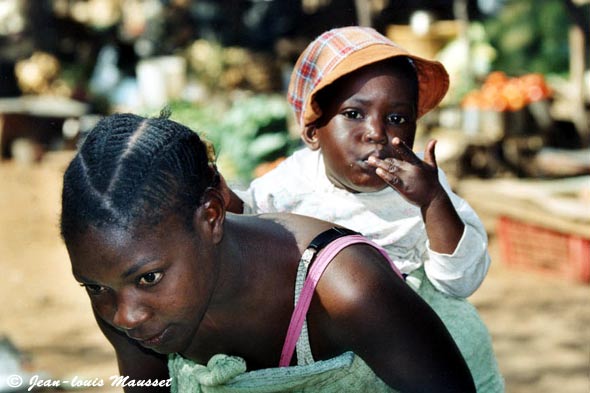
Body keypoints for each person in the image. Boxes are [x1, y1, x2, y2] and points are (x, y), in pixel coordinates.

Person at [60, 112, 475, 393]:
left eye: (149, 277)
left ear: (211, 217)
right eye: (93, 287)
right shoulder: (131, 308)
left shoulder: (346, 290)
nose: (125, 316)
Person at [230, 26, 504, 392]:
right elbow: (245, 224)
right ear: (313, 131)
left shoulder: (422, 188)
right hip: (329, 347)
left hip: (418, 345)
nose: (377, 132)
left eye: (397, 118)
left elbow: (462, 281)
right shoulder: (290, 184)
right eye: (354, 114)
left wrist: (433, 202)